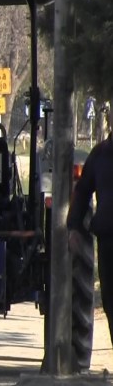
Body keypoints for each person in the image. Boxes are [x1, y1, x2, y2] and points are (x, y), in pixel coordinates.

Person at [68, 108, 113, 347]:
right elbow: (83, 190)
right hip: (108, 241)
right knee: (110, 303)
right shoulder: (100, 155)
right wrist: (74, 227)